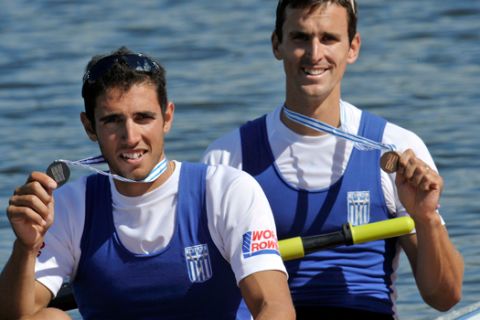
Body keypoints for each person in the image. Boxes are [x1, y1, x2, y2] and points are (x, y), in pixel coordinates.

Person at [202, 0, 464, 318]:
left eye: (329, 38)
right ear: (277, 45)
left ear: (352, 47)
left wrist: (426, 218)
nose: (315, 55)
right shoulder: (228, 159)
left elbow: (444, 297)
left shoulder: (397, 147)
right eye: (300, 38)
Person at [0, 47, 295, 320]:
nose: (130, 137)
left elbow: (275, 307)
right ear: (89, 127)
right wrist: (26, 247)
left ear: (167, 118)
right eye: (113, 121)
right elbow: (17, 316)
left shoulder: (227, 191)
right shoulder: (70, 207)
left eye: (143, 118)